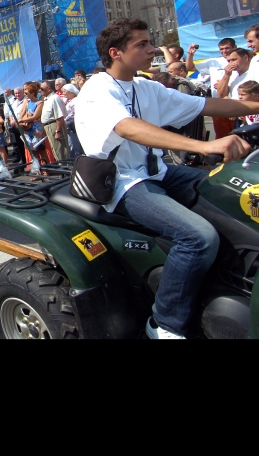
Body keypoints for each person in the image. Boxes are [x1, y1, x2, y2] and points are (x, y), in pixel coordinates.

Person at [75, 18, 259, 339]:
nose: (152, 49)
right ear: (116, 53)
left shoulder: (147, 86)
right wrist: (204, 145)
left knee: (229, 190)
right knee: (199, 237)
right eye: (142, 44)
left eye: (151, 42)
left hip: (159, 173)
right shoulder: (96, 89)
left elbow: (209, 104)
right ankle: (164, 323)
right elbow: (127, 126)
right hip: (126, 184)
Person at [186, 38, 237, 138]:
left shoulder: (240, 60)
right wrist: (190, 54)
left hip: (236, 103)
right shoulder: (213, 62)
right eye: (221, 49)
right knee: (223, 137)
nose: (224, 51)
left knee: (241, 135)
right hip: (219, 105)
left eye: (227, 48)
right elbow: (190, 67)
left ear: (235, 47)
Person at [39, 80, 70, 161]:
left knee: (61, 150)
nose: (40, 90)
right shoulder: (47, 99)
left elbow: (60, 117)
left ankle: (66, 169)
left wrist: (58, 131)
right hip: (48, 126)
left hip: (54, 126)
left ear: (49, 89)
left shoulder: (55, 98)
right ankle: (62, 168)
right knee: (55, 150)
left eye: (42, 88)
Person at [60, 83, 82, 157]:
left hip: (73, 126)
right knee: (71, 144)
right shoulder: (69, 101)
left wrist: (64, 121)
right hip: (69, 127)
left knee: (74, 144)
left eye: (64, 91)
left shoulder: (75, 101)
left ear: (70, 91)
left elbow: (73, 114)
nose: (63, 93)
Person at [7, 87, 26, 165]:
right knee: (18, 143)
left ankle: (26, 159)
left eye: (19, 93)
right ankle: (22, 158)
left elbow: (24, 113)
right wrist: (11, 120)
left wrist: (17, 120)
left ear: (23, 92)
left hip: (22, 124)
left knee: (25, 143)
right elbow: (10, 112)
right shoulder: (14, 102)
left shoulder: (25, 101)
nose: (17, 95)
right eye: (16, 93)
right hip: (15, 126)